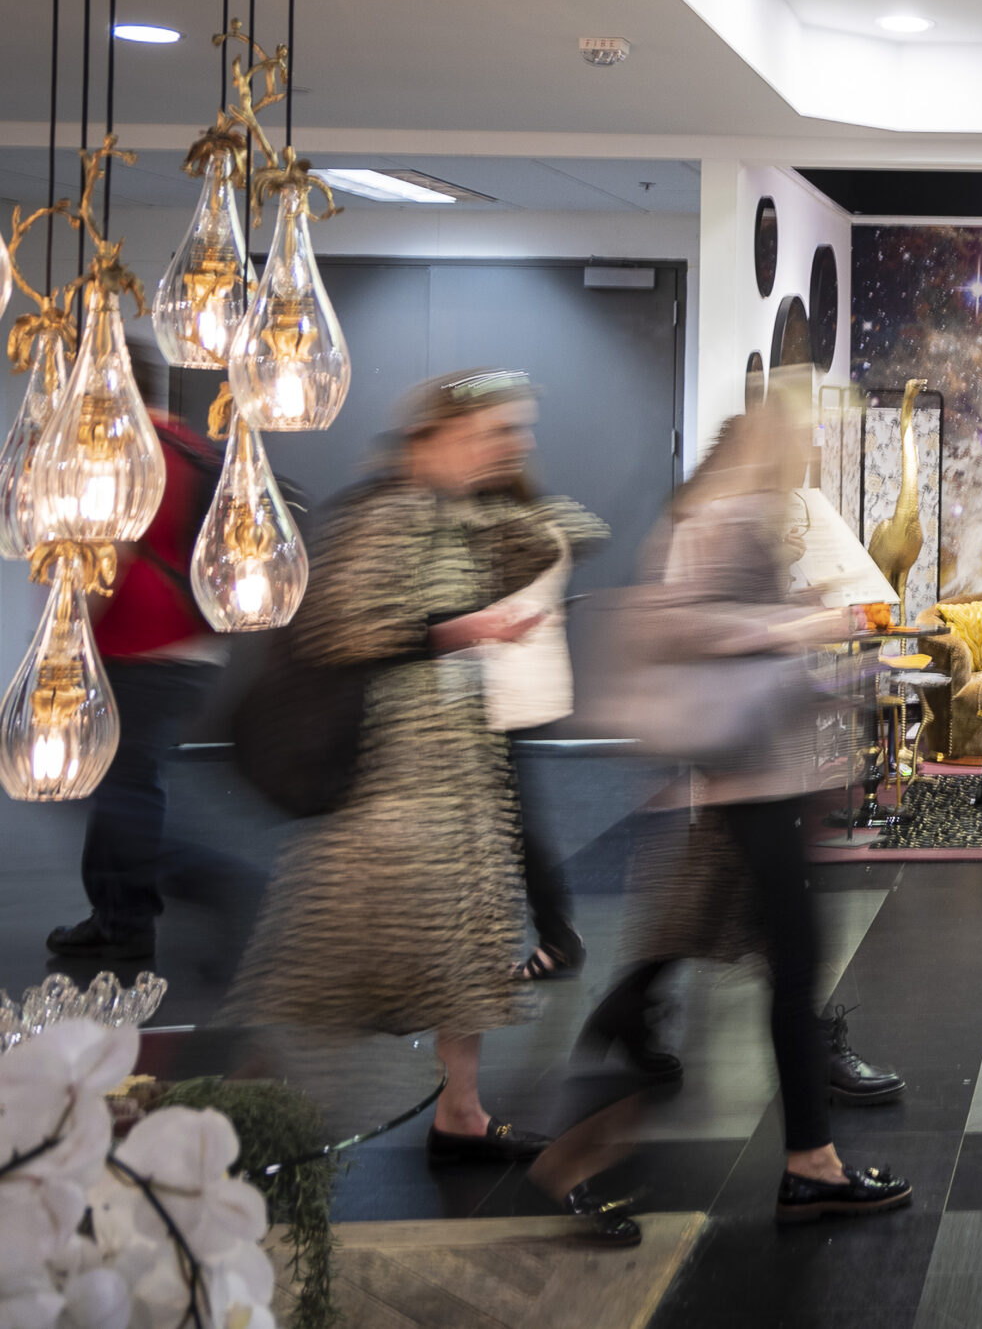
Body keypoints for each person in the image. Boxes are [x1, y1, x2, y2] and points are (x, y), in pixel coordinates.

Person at [570, 398, 910, 1230]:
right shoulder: (721, 519)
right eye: (796, 438)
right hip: (747, 778)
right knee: (789, 962)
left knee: (719, 942)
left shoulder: (731, 516)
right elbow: (697, 631)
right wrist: (809, 625)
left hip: (748, 777)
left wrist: (826, 668)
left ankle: (614, 1055)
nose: (805, 453)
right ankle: (807, 1162)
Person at [224, 368, 557, 1163]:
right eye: (487, 433)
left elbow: (544, 544)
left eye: (512, 435)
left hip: (455, 772)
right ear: (433, 436)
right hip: (386, 780)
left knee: (467, 946)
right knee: (338, 961)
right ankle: (244, 1116)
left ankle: (463, 1112)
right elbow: (346, 631)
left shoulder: (465, 515)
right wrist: (463, 629)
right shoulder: (383, 513)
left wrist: (504, 476)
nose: (505, 447)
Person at [44, 335, 237, 963]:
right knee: (124, 784)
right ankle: (119, 914)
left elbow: (111, 560)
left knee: (114, 789)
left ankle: (206, 887)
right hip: (190, 643)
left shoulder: (125, 454)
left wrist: (61, 645)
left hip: (137, 645)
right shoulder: (188, 442)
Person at [462, 467, 608, 982]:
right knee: (511, 824)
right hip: (516, 694)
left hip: (496, 696)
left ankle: (552, 937)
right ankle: (555, 936)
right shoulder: (541, 525)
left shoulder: (503, 535)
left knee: (506, 826)